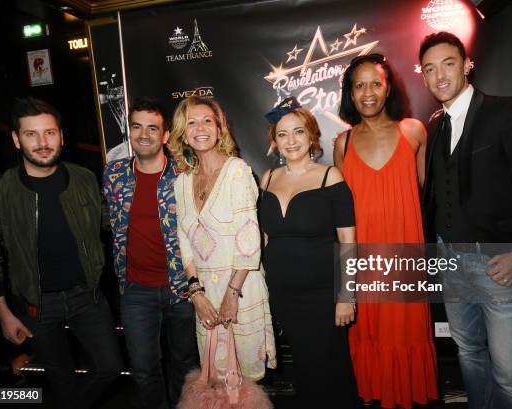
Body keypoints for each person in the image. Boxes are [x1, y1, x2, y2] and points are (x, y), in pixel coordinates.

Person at [418, 32, 512, 409]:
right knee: (469, 353)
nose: (439, 76)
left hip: (498, 265)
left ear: (468, 65)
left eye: (448, 64)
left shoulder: (505, 112)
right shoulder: (436, 127)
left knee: (507, 370)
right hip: (450, 260)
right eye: (430, 69)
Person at [0, 97, 122, 409]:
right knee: (61, 378)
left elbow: (110, 222)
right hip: (36, 303)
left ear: (61, 136)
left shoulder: (84, 178)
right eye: (31, 134)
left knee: (109, 367)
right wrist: (4, 314)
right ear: (16, 139)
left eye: (50, 133)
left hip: (89, 295)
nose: (43, 143)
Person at [334, 54, 439, 408]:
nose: (368, 93)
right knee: (370, 339)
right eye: (359, 85)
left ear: (388, 87)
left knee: (404, 337)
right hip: (362, 266)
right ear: (350, 93)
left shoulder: (414, 131)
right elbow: (339, 215)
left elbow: (424, 194)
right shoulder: (342, 144)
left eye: (375, 83)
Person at [259, 97, 359, 408]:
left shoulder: (332, 177)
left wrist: (346, 296)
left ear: (312, 136)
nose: (291, 141)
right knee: (303, 367)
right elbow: (263, 239)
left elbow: (349, 243)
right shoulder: (267, 179)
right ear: (274, 142)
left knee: (330, 368)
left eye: (298, 132)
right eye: (282, 134)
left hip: (323, 294)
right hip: (282, 294)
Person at [168, 96, 276, 380]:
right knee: (216, 380)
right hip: (204, 296)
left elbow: (250, 239)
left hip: (240, 289)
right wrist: (196, 294)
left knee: (246, 384)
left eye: (207, 121)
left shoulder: (237, 171)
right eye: (191, 122)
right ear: (183, 133)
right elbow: (184, 240)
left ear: (219, 128)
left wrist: (231, 295)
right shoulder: (181, 182)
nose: (200, 127)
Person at [102, 97, 197, 409]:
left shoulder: (185, 175)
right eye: (137, 126)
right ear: (129, 130)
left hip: (182, 290)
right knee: (143, 370)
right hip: (136, 291)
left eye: (153, 128)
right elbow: (111, 226)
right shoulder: (113, 174)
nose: (144, 134)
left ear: (166, 135)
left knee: (184, 366)